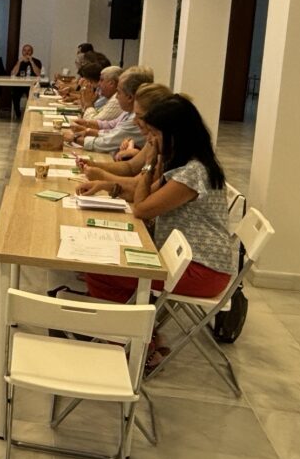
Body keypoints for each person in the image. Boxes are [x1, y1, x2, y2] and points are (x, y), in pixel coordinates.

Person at [75, 95, 234, 310]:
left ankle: (134, 337)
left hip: (201, 270)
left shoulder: (192, 174)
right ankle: (131, 328)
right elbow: (144, 193)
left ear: (175, 135)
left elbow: (141, 208)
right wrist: (106, 186)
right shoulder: (186, 165)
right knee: (107, 263)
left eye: (155, 134)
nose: (150, 140)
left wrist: (150, 164)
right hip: (187, 262)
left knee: (101, 271)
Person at [64, 67, 153, 153]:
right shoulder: (129, 110)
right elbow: (111, 126)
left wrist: (74, 138)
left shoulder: (136, 118)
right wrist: (87, 128)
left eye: (118, 92)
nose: (116, 97)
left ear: (130, 97)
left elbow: (108, 142)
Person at [7, 43, 42, 120]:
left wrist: (31, 61)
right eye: (24, 50)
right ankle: (18, 114)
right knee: (14, 93)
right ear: (22, 52)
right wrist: (19, 62)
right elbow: (13, 74)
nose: (26, 52)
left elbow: (38, 74)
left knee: (35, 94)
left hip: (32, 85)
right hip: (20, 85)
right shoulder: (18, 60)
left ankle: (33, 115)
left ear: (32, 52)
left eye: (29, 50)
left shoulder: (37, 61)